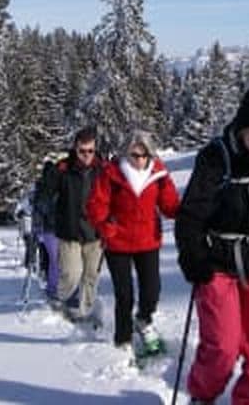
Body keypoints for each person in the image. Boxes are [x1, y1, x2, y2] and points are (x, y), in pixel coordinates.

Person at [175, 87, 249, 405]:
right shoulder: (216, 158)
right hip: (218, 261)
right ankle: (203, 393)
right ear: (241, 130)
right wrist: (194, 258)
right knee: (223, 345)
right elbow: (190, 214)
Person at [87, 129, 180, 355]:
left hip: (148, 241)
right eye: (134, 155)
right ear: (126, 154)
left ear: (151, 155)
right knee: (124, 293)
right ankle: (123, 339)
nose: (139, 160)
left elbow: (170, 205)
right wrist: (105, 225)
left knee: (152, 290)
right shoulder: (112, 174)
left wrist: (188, 212)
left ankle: (144, 320)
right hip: (118, 242)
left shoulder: (158, 174)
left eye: (144, 155)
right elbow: (95, 205)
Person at [52, 127, 105, 321]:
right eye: (82, 151)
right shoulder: (64, 169)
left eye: (90, 151)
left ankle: (86, 310)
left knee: (91, 275)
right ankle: (64, 300)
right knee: (71, 273)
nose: (86, 155)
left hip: (95, 233)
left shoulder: (103, 170)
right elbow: (48, 191)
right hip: (69, 231)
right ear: (75, 149)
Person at [31, 156, 63, 300]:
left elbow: (37, 209)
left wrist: (37, 228)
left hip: (50, 229)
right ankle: (54, 289)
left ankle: (54, 288)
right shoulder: (51, 188)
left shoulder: (43, 187)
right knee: (57, 261)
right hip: (55, 228)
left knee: (55, 261)